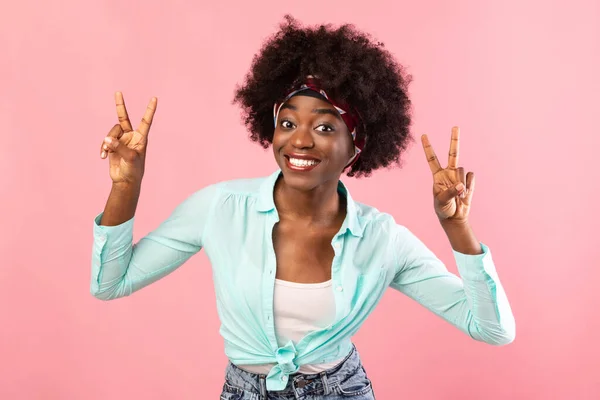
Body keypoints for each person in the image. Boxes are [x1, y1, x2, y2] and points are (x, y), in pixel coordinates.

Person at [91, 16, 515, 400]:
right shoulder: (220, 207)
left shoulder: (383, 240)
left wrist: (457, 227)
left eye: (326, 126)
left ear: (357, 147)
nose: (300, 140)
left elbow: (493, 330)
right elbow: (110, 283)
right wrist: (126, 186)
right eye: (288, 123)